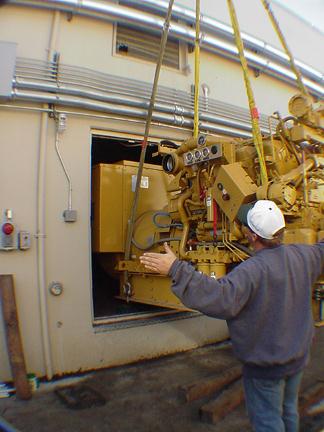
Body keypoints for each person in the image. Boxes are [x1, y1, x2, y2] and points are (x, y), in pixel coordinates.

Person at [140, 200, 324, 432]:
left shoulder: (252, 271)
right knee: (288, 411)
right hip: (297, 357)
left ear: (252, 237)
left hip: (265, 369)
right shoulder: (304, 255)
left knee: (268, 422)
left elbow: (218, 296)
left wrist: (175, 268)